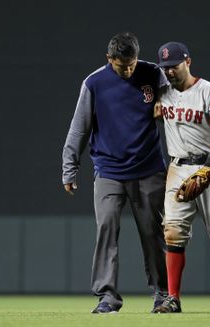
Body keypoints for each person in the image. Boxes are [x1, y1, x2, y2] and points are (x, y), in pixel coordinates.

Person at [62, 32, 168, 314]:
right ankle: (107, 296)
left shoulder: (153, 73)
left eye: (132, 64)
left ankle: (162, 294)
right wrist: (69, 168)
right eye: (123, 66)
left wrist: (164, 100)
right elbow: (79, 128)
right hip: (109, 170)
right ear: (109, 59)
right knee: (107, 228)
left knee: (153, 233)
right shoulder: (94, 82)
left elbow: (173, 98)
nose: (129, 70)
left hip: (148, 169)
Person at [152, 42, 210, 313]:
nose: (169, 72)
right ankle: (173, 298)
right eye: (165, 67)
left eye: (174, 66)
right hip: (177, 167)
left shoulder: (209, 90)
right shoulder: (163, 94)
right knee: (172, 232)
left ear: (188, 61)